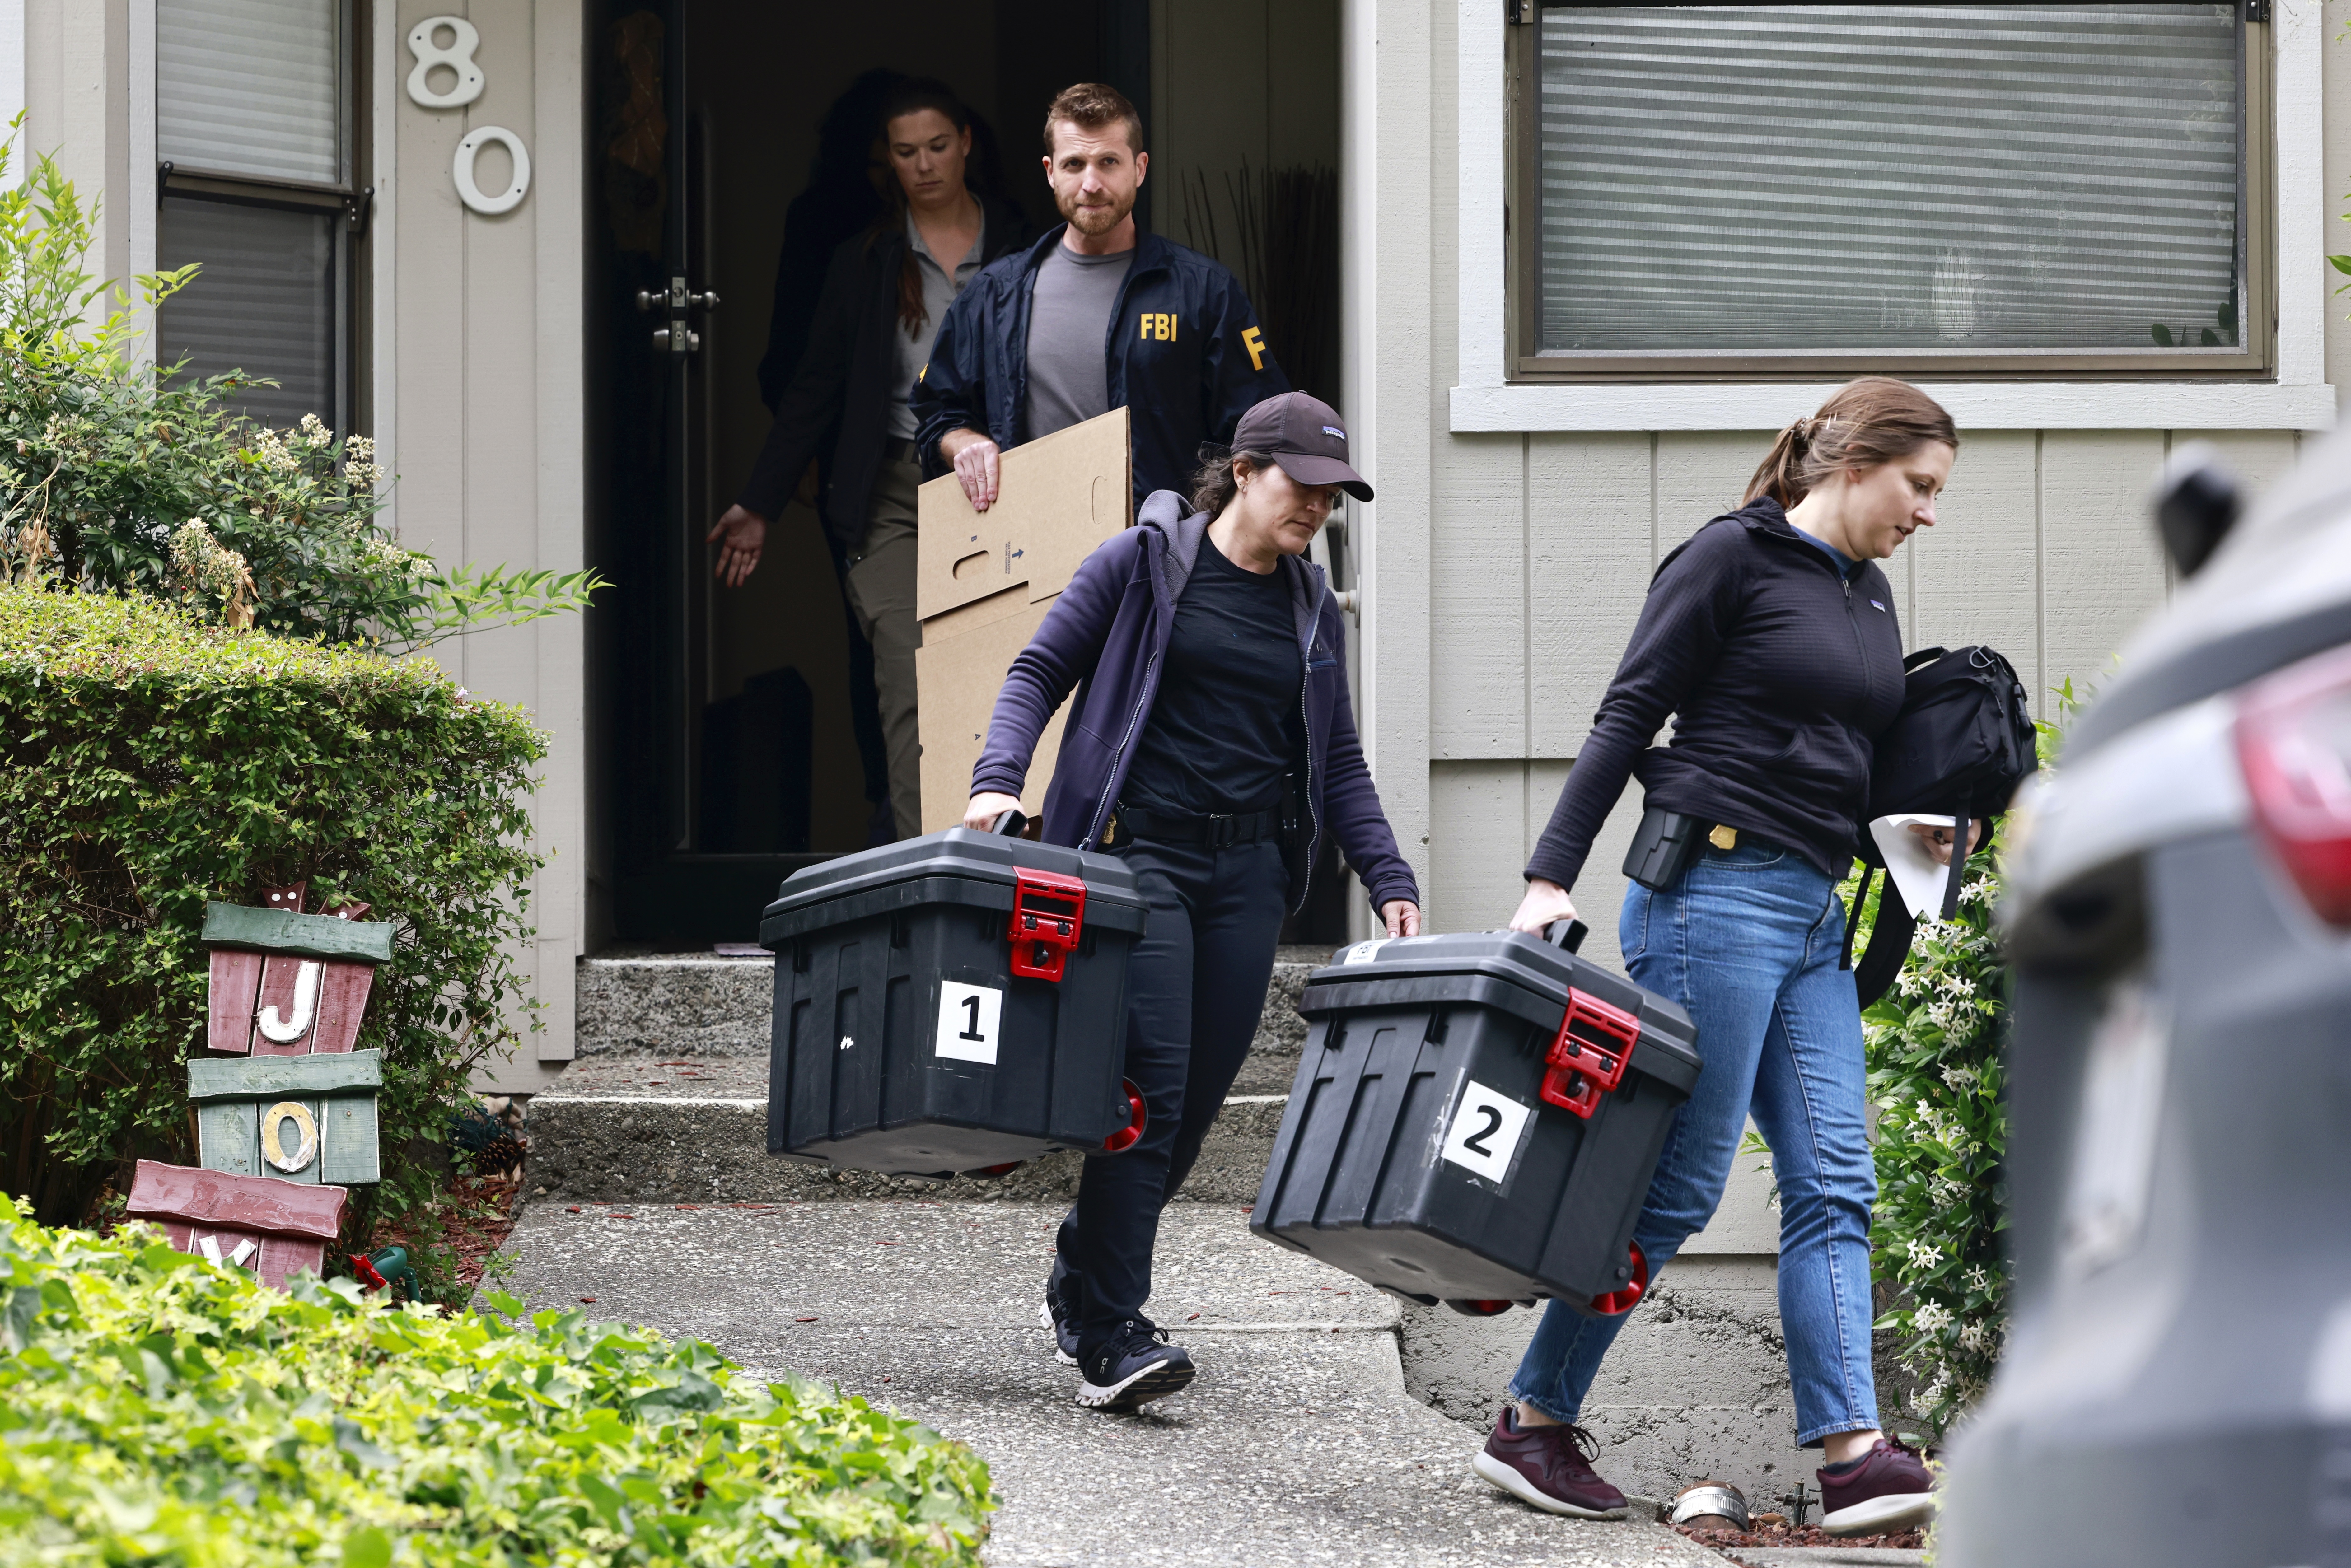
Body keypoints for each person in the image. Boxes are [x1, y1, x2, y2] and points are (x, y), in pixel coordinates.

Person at [1480, 378, 1967, 1537]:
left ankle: (1852, 1456)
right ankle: (1532, 1421)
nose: (1927, 514)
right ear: (1852, 464)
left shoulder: (1870, 596)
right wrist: (1547, 877)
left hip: (1810, 914)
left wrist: (1922, 821)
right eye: (1919, 487)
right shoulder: (1728, 560)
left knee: (1836, 1183)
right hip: (1711, 898)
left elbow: (1834, 755)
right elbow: (1625, 714)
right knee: (1681, 1185)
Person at [963, 391, 1420, 1413]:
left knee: (1192, 1114)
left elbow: (1336, 759)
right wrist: (1000, 776)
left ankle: (1082, 1271)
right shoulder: (1140, 564)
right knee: (1151, 1090)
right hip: (1142, 864)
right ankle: (1112, 1330)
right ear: (1246, 471)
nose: (1316, 507)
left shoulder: (1307, 605)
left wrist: (1388, 878)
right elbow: (1038, 671)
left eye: (1332, 495)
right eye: (1301, 485)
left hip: (1248, 880)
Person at [711, 79, 1036, 842]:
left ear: (967, 143)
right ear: (885, 162)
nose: (923, 165)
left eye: (936, 147)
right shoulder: (864, 260)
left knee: (1006, 677)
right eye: (904, 152)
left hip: (1004, 484)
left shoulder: (1024, 248)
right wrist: (758, 502)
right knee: (908, 674)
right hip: (890, 487)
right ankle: (928, 864)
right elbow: (813, 388)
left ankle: (1014, 863)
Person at [912, 82, 1289, 516]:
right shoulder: (995, 293)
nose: (1091, 184)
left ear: (1140, 168)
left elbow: (1261, 429)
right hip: (1029, 548)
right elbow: (936, 407)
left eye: (1109, 162)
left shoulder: (1205, 291)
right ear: (1052, 172)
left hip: (1163, 556)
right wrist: (963, 440)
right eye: (1075, 164)